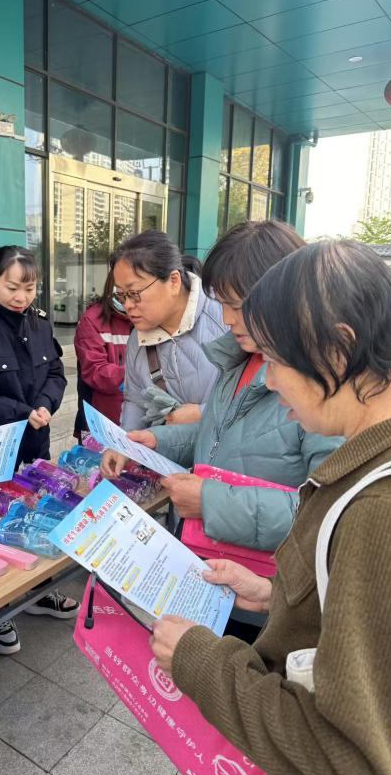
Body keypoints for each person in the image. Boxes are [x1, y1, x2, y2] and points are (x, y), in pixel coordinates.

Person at [150, 240, 391, 775]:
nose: (269, 379)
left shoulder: (378, 511)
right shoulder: (367, 469)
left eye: (278, 360)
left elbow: (349, 758)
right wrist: (274, 594)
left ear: (337, 350)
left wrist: (197, 659)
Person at [102, 220, 342, 552]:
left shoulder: (326, 389)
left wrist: (210, 502)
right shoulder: (238, 359)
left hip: (266, 576)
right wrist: (155, 441)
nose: (226, 319)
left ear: (286, 298)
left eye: (237, 306)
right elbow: (220, 436)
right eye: (222, 303)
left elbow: (330, 516)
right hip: (212, 558)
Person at [0, 245, 78, 656]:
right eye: (12, 287)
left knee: (36, 516)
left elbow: (56, 372)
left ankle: (39, 590)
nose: (21, 297)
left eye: (29, 288)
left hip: (35, 443)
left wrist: (45, 404)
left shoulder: (40, 322)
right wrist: (24, 411)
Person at [110, 230, 225, 431]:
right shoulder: (137, 340)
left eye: (134, 293)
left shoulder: (225, 316)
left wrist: (203, 414)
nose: (127, 305)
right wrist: (126, 444)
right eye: (121, 296)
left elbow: (261, 401)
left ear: (173, 281)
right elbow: (135, 401)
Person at [73, 269, 132, 437]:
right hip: (102, 424)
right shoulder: (92, 320)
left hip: (139, 422)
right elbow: (95, 371)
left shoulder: (150, 318)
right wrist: (137, 374)